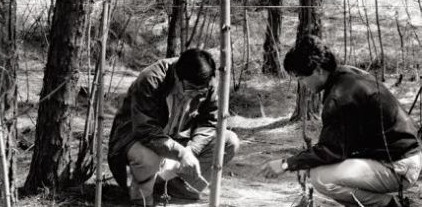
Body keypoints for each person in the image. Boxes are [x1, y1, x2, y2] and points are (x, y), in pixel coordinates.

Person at [261, 35, 422, 207]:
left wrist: (287, 164)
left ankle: (389, 205)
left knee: (321, 178)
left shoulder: (340, 96)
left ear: (318, 70)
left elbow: (332, 151)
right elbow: (341, 146)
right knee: (318, 170)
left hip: (398, 166)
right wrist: (304, 162)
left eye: (301, 78)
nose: (302, 84)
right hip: (400, 159)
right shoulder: (347, 75)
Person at [107, 48, 240, 206]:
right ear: (177, 76)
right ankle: (140, 196)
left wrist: (191, 150)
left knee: (229, 141)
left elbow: (208, 124)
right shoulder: (152, 78)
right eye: (190, 88)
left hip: (172, 142)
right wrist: (180, 153)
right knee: (149, 158)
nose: (195, 94)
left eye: (200, 91)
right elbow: (146, 131)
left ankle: (173, 185)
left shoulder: (206, 82)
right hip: (133, 143)